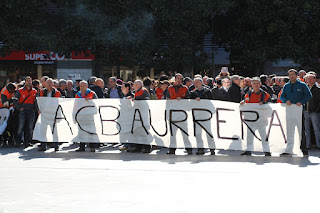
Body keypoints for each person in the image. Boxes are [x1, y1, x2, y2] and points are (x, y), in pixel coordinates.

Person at [280, 69, 312, 156]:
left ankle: (304, 149)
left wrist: (301, 102)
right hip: (289, 111)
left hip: (299, 111)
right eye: (290, 74)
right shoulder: (286, 86)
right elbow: (282, 97)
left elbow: (309, 95)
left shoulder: (302, 85)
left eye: (293, 74)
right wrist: (286, 100)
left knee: (301, 130)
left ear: (296, 75)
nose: (291, 76)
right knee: (289, 130)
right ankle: (289, 149)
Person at [240, 77, 271, 156]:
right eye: (254, 83)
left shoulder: (264, 94)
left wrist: (263, 102)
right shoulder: (248, 93)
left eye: (257, 83)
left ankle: (267, 150)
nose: (256, 85)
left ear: (260, 84)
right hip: (250, 118)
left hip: (261, 118)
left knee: (263, 135)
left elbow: (270, 102)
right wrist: (243, 102)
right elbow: (246, 101)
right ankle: (249, 150)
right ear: (251, 84)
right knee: (249, 135)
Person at [189, 77, 215, 155]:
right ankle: (200, 148)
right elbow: (189, 104)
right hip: (197, 116)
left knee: (208, 132)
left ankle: (212, 148)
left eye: (197, 82)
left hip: (206, 115)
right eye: (194, 82)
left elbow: (212, 101)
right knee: (198, 133)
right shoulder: (192, 93)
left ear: (201, 83)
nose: (195, 84)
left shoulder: (207, 92)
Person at [166, 73, 190, 155]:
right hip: (173, 114)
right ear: (175, 79)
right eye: (178, 78)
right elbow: (167, 101)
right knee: (173, 133)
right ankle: (172, 149)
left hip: (182, 114)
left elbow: (189, 100)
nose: (179, 80)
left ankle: (188, 148)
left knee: (185, 132)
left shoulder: (185, 88)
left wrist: (182, 99)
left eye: (180, 79)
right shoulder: (169, 88)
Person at [13, 76, 38, 148]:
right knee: (20, 127)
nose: (29, 82)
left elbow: (36, 101)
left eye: (30, 81)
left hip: (31, 111)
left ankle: (27, 142)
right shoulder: (20, 90)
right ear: (25, 82)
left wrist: (35, 109)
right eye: (27, 81)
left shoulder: (34, 91)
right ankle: (18, 142)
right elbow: (15, 100)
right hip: (23, 111)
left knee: (29, 128)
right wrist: (19, 108)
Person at [38, 78, 61, 151]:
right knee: (43, 130)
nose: (49, 84)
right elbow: (38, 101)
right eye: (48, 82)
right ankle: (43, 146)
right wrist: (39, 110)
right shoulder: (42, 92)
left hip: (52, 113)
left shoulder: (57, 92)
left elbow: (59, 103)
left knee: (54, 130)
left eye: (50, 83)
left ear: (53, 84)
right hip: (44, 113)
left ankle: (56, 146)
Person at [127, 80, 151, 153]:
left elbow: (146, 99)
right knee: (137, 131)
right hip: (138, 113)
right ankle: (138, 147)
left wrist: (135, 99)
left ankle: (147, 147)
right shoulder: (137, 92)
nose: (133, 86)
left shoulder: (144, 91)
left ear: (138, 85)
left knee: (144, 130)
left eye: (134, 85)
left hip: (143, 113)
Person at [75, 80, 99, 152]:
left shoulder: (92, 93)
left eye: (83, 86)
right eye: (81, 86)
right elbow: (75, 105)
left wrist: (90, 100)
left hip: (89, 115)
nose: (82, 87)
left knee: (91, 131)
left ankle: (92, 147)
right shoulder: (77, 94)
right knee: (81, 131)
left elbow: (97, 103)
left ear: (87, 86)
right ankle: (81, 146)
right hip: (81, 115)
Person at [304, 74, 320, 149]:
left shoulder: (317, 89)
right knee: (306, 129)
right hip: (306, 111)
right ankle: (308, 145)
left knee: (316, 129)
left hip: (314, 112)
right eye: (308, 79)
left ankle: (318, 144)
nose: (309, 80)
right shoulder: (305, 89)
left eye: (311, 79)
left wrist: (317, 110)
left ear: (314, 80)